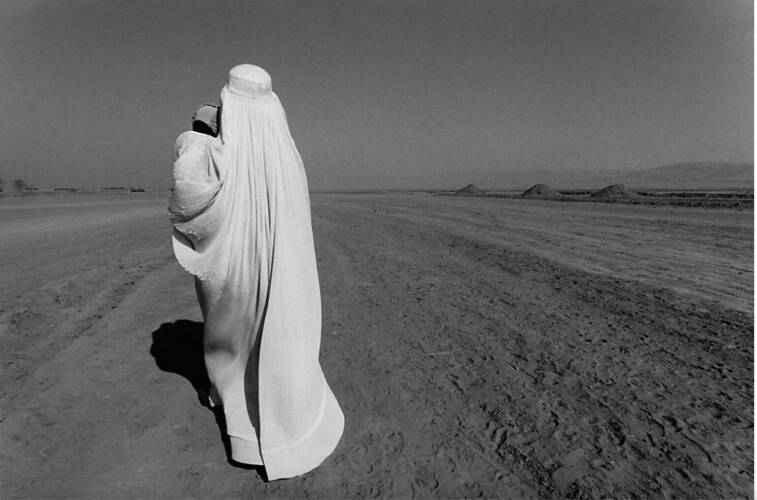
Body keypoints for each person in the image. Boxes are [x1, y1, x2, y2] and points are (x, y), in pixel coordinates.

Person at [168, 64, 344, 480]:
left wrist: (198, 133)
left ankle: (246, 427)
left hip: (234, 270)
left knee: (236, 338)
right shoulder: (288, 158)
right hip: (277, 267)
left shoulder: (214, 154)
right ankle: (280, 422)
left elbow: (188, 186)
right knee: (273, 333)